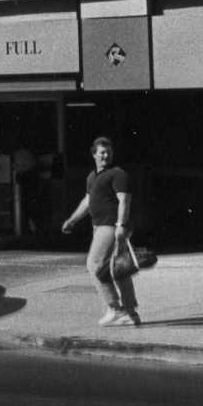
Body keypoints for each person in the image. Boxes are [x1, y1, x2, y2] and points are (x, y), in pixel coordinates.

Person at [61, 136, 139, 326]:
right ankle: (130, 313)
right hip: (101, 226)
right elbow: (86, 202)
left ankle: (114, 308)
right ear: (94, 154)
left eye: (109, 152)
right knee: (119, 269)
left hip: (111, 226)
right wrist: (71, 220)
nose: (106, 155)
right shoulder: (92, 177)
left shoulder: (117, 174)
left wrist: (121, 224)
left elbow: (124, 201)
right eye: (102, 152)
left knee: (94, 264)